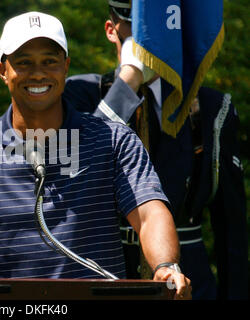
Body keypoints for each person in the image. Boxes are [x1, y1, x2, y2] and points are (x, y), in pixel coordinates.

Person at [0, 11, 192, 300]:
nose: (38, 74)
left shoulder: (114, 140)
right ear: (2, 71)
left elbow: (150, 213)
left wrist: (167, 265)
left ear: (66, 66)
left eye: (50, 61)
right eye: (24, 62)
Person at [63, 0, 248, 300]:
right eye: (134, 24)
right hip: (104, 275)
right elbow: (76, 173)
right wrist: (128, 83)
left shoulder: (213, 108)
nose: (148, 37)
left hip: (188, 282)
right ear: (112, 30)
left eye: (157, 27)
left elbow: (232, 230)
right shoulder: (80, 95)